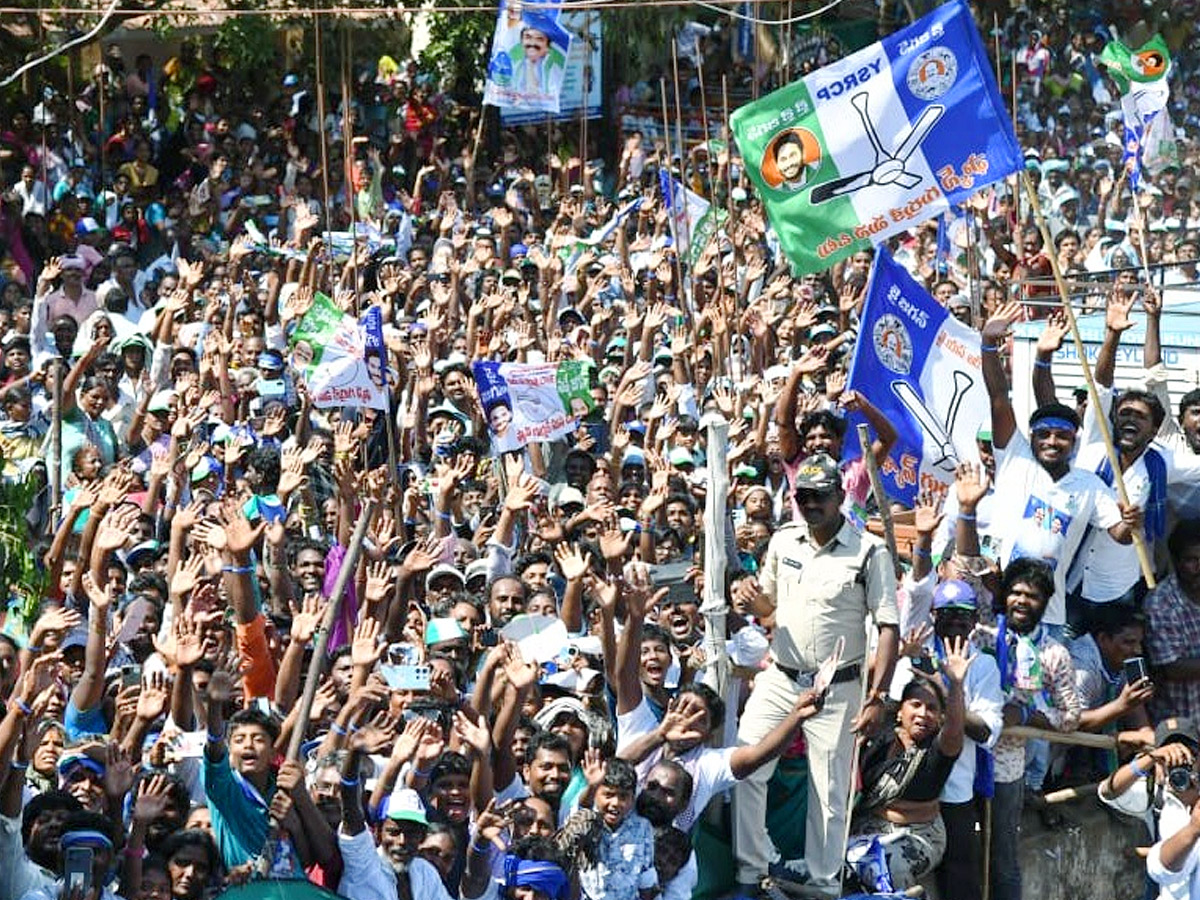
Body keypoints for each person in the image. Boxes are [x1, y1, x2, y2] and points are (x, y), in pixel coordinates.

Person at [731, 453, 899, 898]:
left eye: (820, 496)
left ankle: (823, 884)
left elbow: (888, 628)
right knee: (747, 764)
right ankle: (751, 872)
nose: (810, 504)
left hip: (838, 687)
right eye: (802, 496)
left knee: (829, 789)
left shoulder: (869, 552)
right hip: (781, 675)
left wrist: (878, 696)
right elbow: (769, 610)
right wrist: (752, 602)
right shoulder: (783, 541)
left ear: (840, 496)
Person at [851, 635, 973, 891]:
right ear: (899, 710)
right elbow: (856, 680)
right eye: (915, 704)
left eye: (931, 708)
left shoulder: (938, 749)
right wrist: (899, 652)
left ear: (939, 717)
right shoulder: (879, 734)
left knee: (890, 867)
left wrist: (956, 685)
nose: (922, 713)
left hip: (918, 835)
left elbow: (954, 729)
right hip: (868, 827)